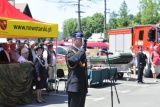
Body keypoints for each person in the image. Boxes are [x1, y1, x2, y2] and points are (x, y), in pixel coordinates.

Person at [66, 32, 88, 107]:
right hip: (74, 86)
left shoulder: (81, 52)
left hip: (82, 85)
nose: (81, 41)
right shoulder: (70, 51)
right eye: (79, 39)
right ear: (74, 40)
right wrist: (82, 50)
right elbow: (73, 60)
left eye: (82, 39)